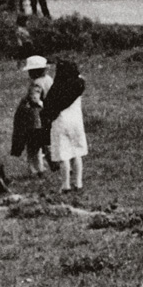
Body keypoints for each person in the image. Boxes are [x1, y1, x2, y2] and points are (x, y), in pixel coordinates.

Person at [41, 58, 87, 192]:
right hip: (76, 122)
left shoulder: (57, 87)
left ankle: (65, 185)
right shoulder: (79, 84)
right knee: (77, 153)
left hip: (60, 122)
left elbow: (48, 106)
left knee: (64, 156)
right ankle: (78, 183)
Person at [11, 54, 53, 177]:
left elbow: (35, 99)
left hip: (35, 118)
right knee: (46, 143)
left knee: (33, 146)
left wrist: (34, 103)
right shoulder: (49, 79)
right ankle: (52, 164)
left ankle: (36, 169)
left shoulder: (36, 83)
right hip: (47, 115)